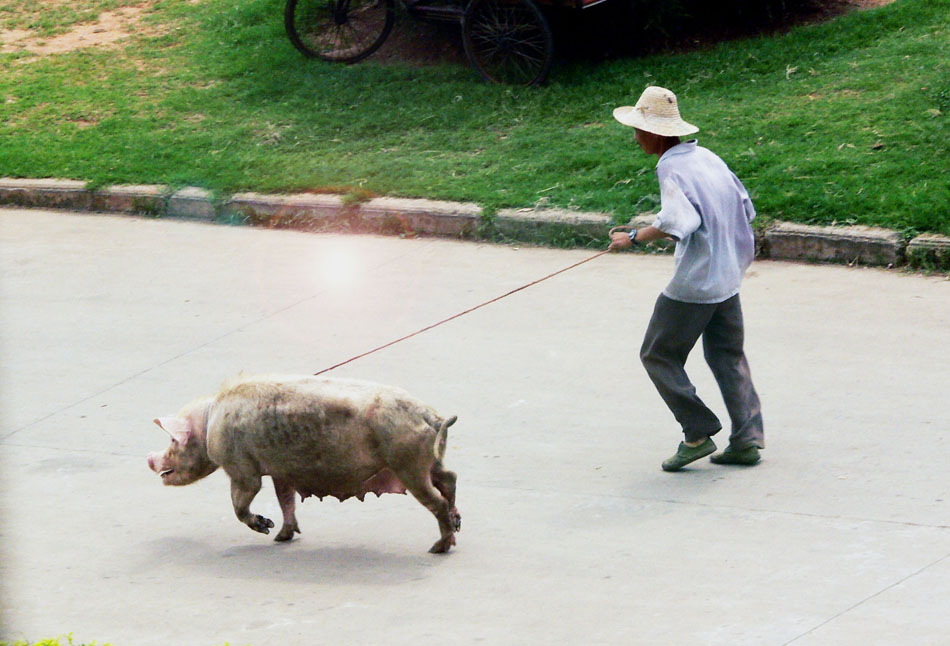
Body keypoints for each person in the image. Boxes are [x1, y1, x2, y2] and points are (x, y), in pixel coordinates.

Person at [608, 86, 764, 472]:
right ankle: (746, 439)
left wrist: (632, 237)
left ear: (656, 134)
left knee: (657, 354)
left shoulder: (670, 166)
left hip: (697, 282)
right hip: (729, 274)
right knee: (727, 355)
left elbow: (681, 221)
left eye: (638, 129)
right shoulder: (706, 156)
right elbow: (747, 207)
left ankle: (697, 432)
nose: (635, 137)